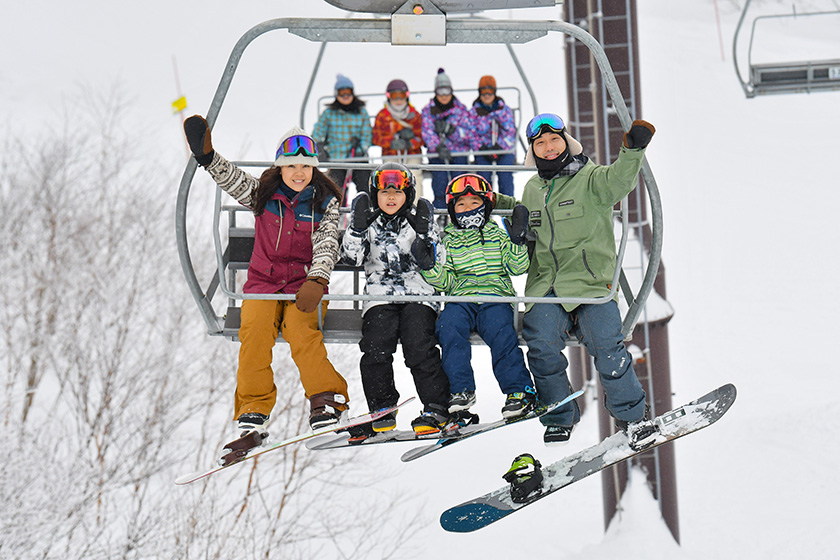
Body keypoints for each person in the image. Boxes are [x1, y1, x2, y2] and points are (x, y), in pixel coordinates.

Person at [183, 116, 350, 461]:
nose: (299, 172)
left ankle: (327, 399)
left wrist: (317, 279)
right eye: (291, 166)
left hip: (304, 287)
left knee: (302, 333)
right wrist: (207, 156)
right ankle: (253, 412)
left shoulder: (324, 203)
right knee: (254, 332)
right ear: (281, 167)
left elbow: (327, 243)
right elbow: (232, 180)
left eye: (306, 166)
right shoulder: (264, 195)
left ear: (315, 169)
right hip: (263, 285)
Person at [506, 112, 658, 450]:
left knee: (607, 344)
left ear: (566, 142)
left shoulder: (590, 179)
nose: (548, 148)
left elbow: (619, 181)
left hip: (591, 282)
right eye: (540, 143)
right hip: (547, 286)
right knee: (541, 344)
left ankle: (633, 416)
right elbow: (522, 225)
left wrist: (632, 151)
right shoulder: (532, 189)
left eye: (554, 140)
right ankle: (559, 416)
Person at [412, 173, 536, 419]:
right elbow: (446, 279)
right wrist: (430, 268)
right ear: (452, 210)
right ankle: (461, 390)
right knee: (448, 327)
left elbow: (517, 268)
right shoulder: (449, 240)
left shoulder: (498, 234)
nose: (467, 209)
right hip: (462, 297)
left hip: (495, 296)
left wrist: (517, 242)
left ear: (487, 205)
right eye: (461, 204)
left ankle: (518, 391)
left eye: (474, 203)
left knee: (501, 333)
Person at [341, 163, 451, 437]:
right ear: (375, 195)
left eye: (397, 193)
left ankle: (435, 406)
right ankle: (383, 406)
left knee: (419, 346)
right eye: (384, 193)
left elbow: (440, 260)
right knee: (375, 346)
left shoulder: (418, 221)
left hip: (418, 295)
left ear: (408, 195)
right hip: (380, 296)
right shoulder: (369, 223)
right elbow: (352, 259)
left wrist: (426, 238)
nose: (391, 198)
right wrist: (356, 229)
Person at [312, 74, 373, 199]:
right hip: (336, 158)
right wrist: (320, 148)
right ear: (336, 94)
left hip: (357, 157)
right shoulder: (329, 113)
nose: (345, 96)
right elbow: (318, 133)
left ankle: (366, 211)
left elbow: (367, 134)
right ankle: (337, 214)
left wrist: (362, 148)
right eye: (342, 93)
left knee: (365, 186)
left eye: (348, 92)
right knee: (336, 188)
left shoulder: (361, 112)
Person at [420, 68, 473, 212]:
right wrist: (437, 147)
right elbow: (427, 131)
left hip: (458, 152)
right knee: (440, 179)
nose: (444, 96)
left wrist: (453, 131)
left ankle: (460, 208)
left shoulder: (460, 110)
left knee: (459, 178)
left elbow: (468, 133)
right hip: (438, 153)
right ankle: (441, 209)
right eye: (440, 92)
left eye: (447, 91)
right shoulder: (428, 111)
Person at [372, 79, 425, 199]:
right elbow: (376, 137)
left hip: (411, 153)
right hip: (391, 153)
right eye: (394, 96)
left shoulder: (414, 115)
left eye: (401, 96)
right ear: (388, 97)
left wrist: (410, 143)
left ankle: (416, 205)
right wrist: (392, 142)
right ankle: (392, 205)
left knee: (415, 174)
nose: (398, 100)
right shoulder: (383, 116)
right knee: (390, 177)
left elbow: (422, 136)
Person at [469, 75, 517, 197]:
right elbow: (471, 133)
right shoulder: (474, 112)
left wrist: (500, 147)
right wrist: (482, 148)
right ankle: (484, 207)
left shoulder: (504, 110)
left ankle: (508, 209)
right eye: (483, 92)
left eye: (490, 92)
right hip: (483, 151)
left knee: (505, 175)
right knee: (483, 178)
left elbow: (510, 131)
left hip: (503, 150)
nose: (487, 96)